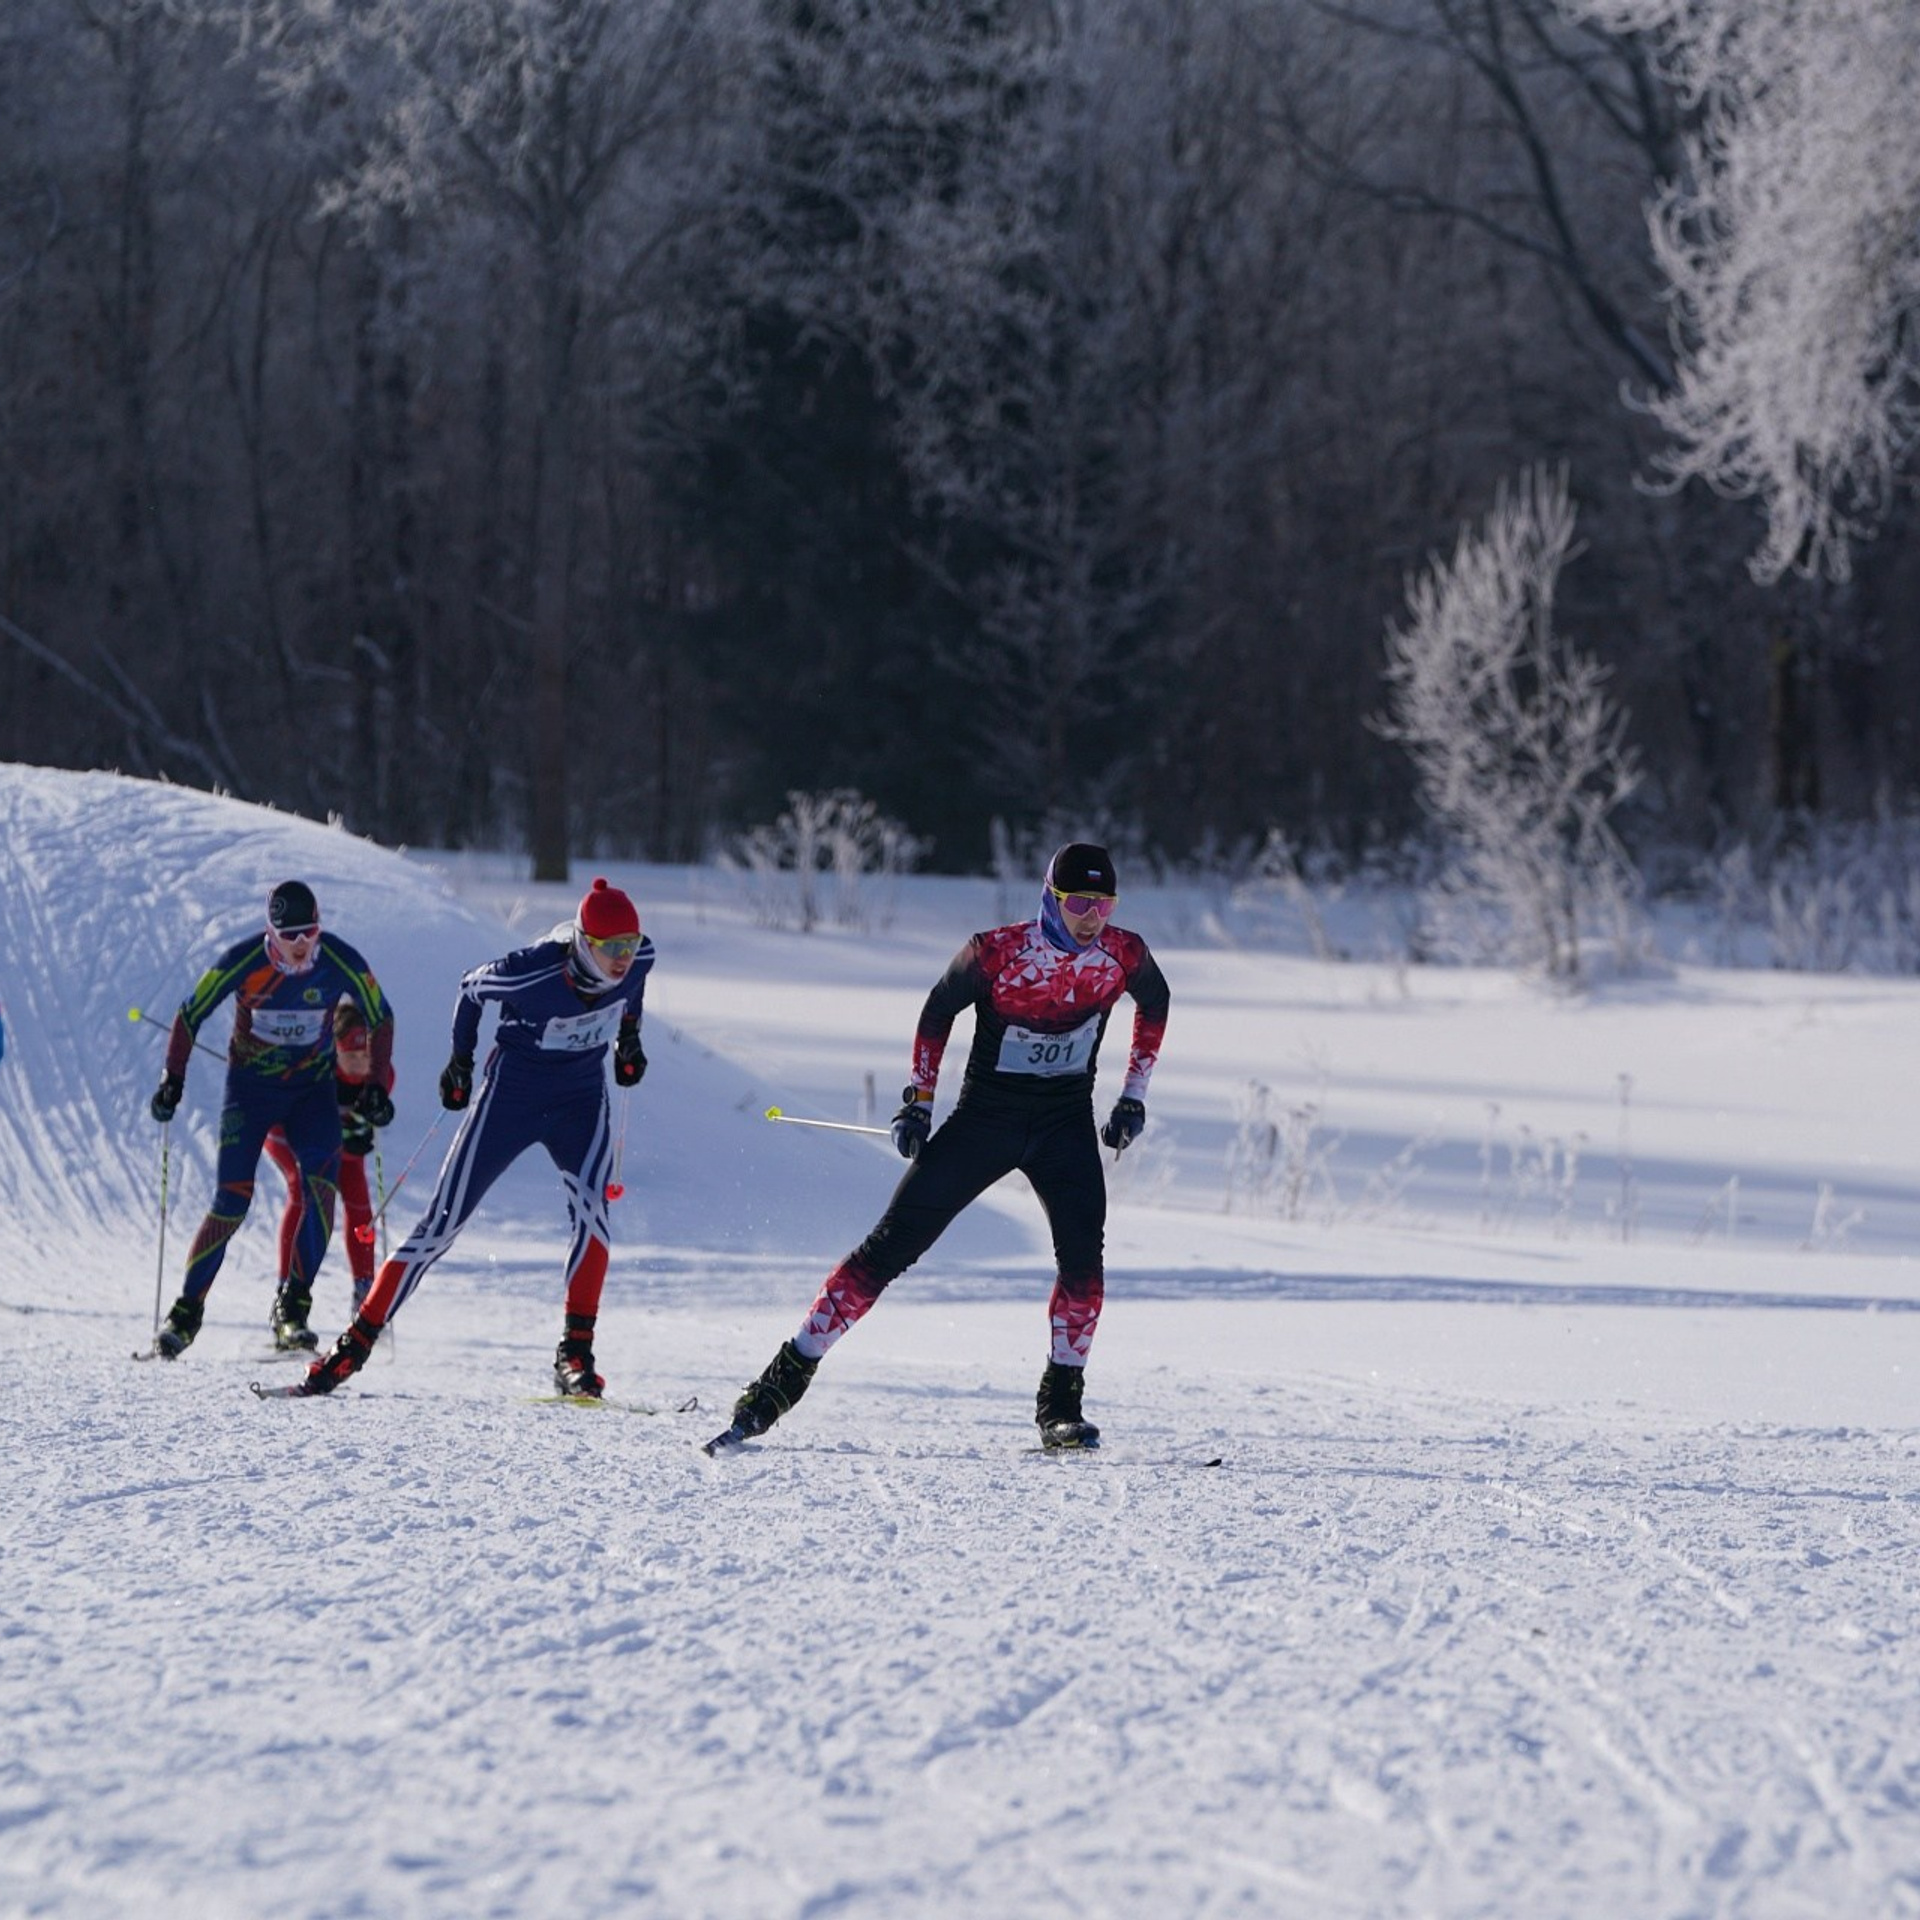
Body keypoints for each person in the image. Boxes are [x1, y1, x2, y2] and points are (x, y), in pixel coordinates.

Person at [708, 842, 1170, 1454]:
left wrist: (1132, 1096)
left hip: (1064, 1124)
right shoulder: (996, 952)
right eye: (1079, 902)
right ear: (1051, 898)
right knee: (891, 1245)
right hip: (986, 1119)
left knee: (1084, 1264)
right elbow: (937, 1011)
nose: (1093, 917)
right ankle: (779, 1383)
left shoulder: (1123, 953)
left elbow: (1155, 1003)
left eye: (1104, 903)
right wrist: (919, 1101)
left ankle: (1061, 1408)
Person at [295, 877, 654, 1400]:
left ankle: (575, 1354)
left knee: (594, 1214)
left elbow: (632, 987)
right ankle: (352, 1347)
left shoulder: (639, 958)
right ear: (582, 941)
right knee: (440, 1225)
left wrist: (630, 1038)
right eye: (610, 948)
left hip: (580, 1102)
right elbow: (470, 988)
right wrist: (460, 1062)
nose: (623, 958)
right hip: (511, 1100)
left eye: (630, 944)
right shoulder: (532, 971)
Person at [148, 880, 396, 1358]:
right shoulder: (245, 961)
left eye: (310, 932)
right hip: (251, 1092)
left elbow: (381, 1015)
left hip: (311, 1094)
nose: (302, 945)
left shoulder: (338, 958)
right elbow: (190, 1012)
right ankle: (184, 1314)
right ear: (271, 932)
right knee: (232, 1201)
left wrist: (376, 1088)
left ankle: (292, 1311)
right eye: (291, 935)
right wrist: (171, 1079)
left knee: (321, 1191)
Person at [261, 1001, 382, 1345]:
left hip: (338, 1139)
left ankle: (365, 1294)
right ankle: (287, 1300)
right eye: (351, 1055)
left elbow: (370, 1112)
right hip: (288, 1134)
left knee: (359, 1204)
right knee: (305, 1192)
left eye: (366, 1054)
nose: (361, 1063)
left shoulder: (379, 1071)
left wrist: (367, 1119)